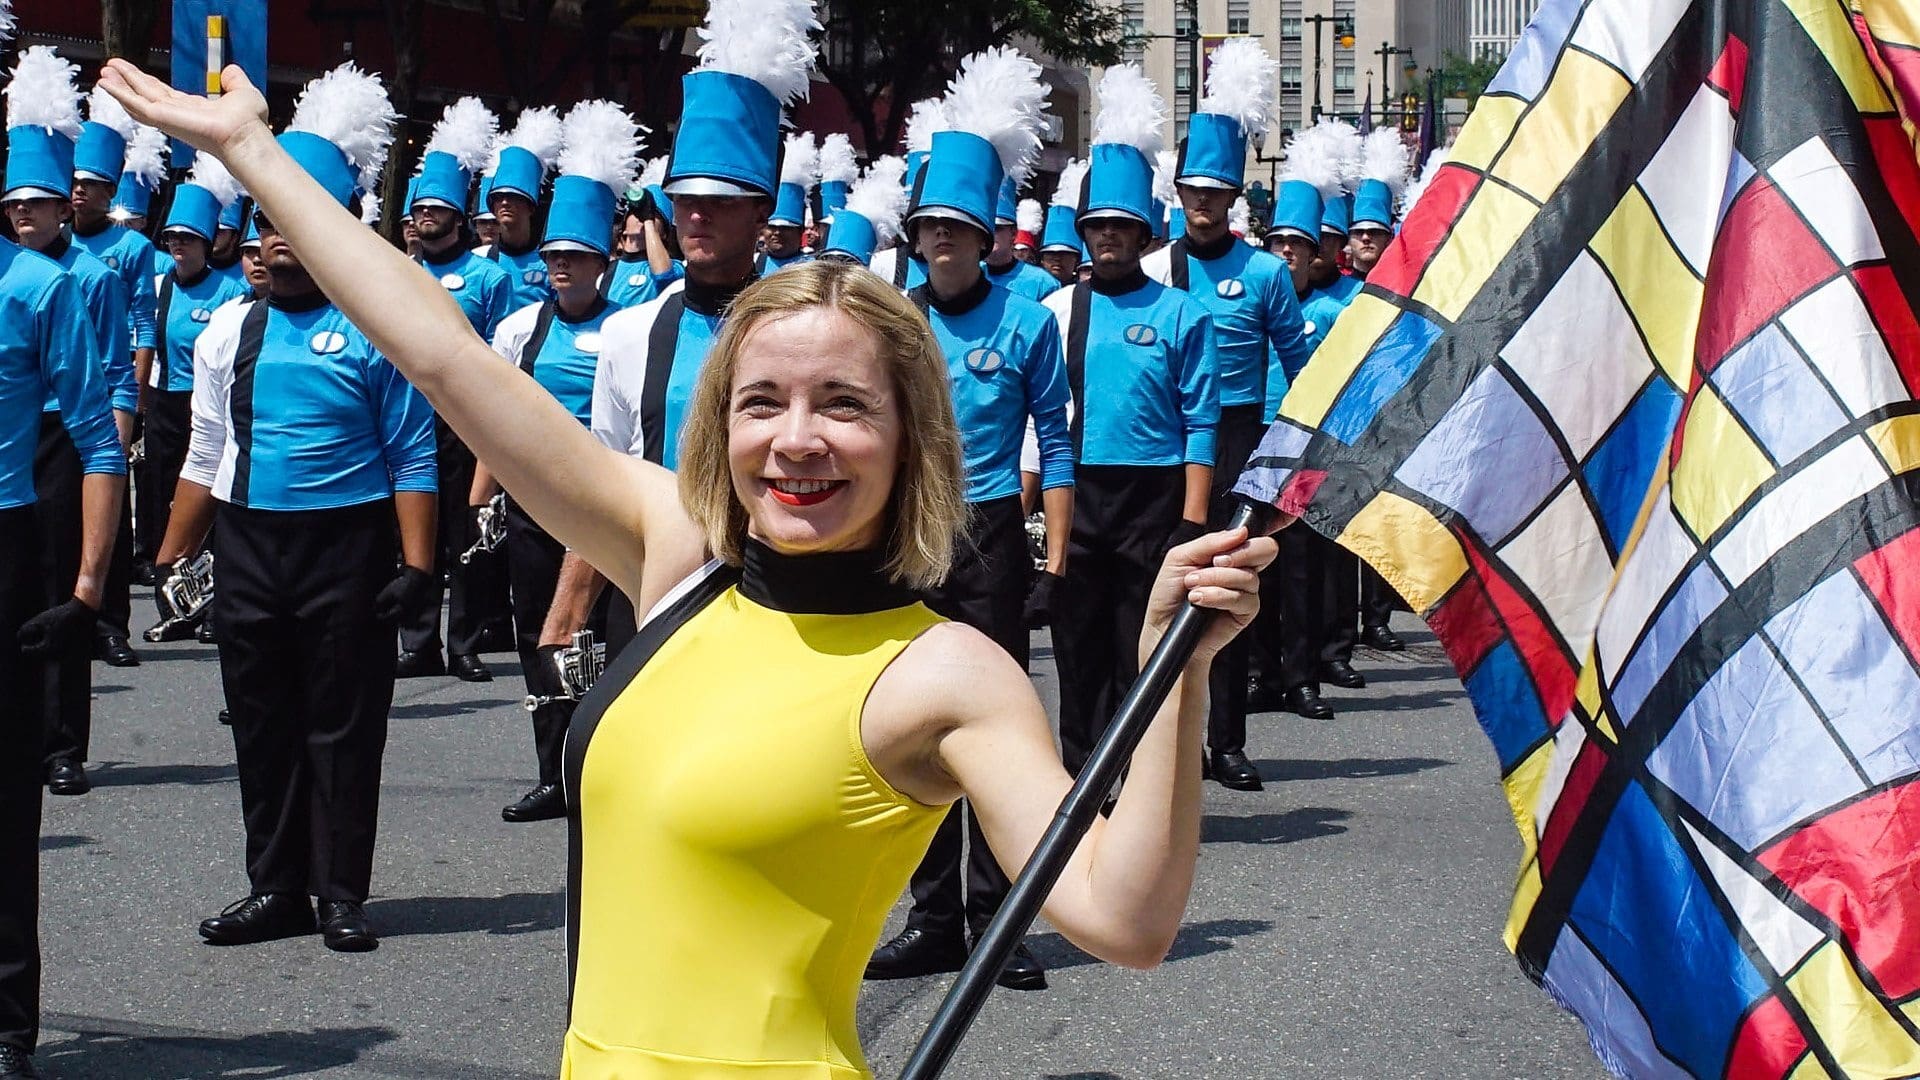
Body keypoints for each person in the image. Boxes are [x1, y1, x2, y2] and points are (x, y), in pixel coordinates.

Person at [100, 53, 1273, 1079]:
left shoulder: (946, 672)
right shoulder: (676, 551)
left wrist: (1175, 675)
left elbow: (1123, 920)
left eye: (844, 404)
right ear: (721, 424)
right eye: (763, 401)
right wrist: (253, 152)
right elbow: (444, 356)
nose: (797, 439)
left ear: (911, 435)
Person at [145, 65, 438, 954]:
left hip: (346, 544)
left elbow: (410, 452)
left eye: (296, 221)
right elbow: (206, 450)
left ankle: (341, 891)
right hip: (248, 546)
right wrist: (170, 556)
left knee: (343, 725)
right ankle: (273, 887)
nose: (278, 240)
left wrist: (417, 566)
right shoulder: (227, 329)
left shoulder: (379, 327)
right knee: (262, 719)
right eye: (267, 221)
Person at [864, 48, 1070, 993]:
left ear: (986, 237)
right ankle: (932, 917)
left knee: (990, 735)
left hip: (989, 535)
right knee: (910, 732)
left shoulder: (1029, 321)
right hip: (908, 532)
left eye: (956, 229)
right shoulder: (894, 321)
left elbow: (1055, 441)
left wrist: (1053, 552)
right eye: (929, 229)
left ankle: (997, 922)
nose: (941, 242)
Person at [1142, 36, 1308, 791]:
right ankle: (1153, 739)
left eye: (1215, 191)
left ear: (1234, 196)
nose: (1202, 202)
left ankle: (1228, 739)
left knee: (1224, 588)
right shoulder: (1154, 268)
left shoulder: (1267, 272)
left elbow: (1300, 367)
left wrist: (1294, 450)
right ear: (1177, 192)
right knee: (1157, 589)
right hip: (1169, 440)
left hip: (1240, 435)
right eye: (1192, 190)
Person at [1044, 66, 1218, 779]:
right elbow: (1041, 421)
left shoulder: (1183, 314)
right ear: (1083, 232)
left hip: (1153, 498)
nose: (1109, 236)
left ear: (1144, 233)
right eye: (1098, 226)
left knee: (1140, 649)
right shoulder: (1057, 311)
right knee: (1077, 647)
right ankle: (1080, 782)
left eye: (1121, 225)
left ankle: (1142, 784)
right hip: (1079, 492)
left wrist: (1192, 519)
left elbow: (1201, 420)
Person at [477, 99, 640, 824]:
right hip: (534, 502)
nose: (563, 269)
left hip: (605, 501)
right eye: (554, 258)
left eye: (576, 257)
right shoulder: (518, 329)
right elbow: (497, 420)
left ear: (603, 264)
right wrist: (482, 498)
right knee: (536, 634)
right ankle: (554, 772)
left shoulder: (630, 328)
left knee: (601, 635)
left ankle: (602, 767)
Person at [0, 153, 127, 1080]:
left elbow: (97, 441)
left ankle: (8, 1027)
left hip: (8, 549)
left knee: (6, 808)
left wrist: (86, 591)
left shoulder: (40, 287)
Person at [5, 47, 137, 798]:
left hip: (66, 440)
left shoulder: (87, 276)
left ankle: (61, 743)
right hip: (17, 437)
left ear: (65, 208)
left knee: (60, 585)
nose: (24, 212)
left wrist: (115, 441)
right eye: (14, 202)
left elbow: (114, 371)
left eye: (40, 201)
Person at [397, 97, 513, 683]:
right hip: (406, 418)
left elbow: (500, 355)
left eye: (437, 210)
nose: (425, 217)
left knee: (466, 533)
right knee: (413, 531)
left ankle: (463, 641)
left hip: (463, 420)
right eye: (419, 208)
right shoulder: (399, 272)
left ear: (459, 217)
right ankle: (416, 642)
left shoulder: (490, 277)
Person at [137, 160, 251, 625]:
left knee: (208, 496)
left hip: (208, 405)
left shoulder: (230, 289)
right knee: (160, 492)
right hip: (165, 401)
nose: (177, 246)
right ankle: (168, 591)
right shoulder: (159, 284)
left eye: (187, 238)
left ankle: (210, 596)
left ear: (206, 243)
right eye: (172, 238)